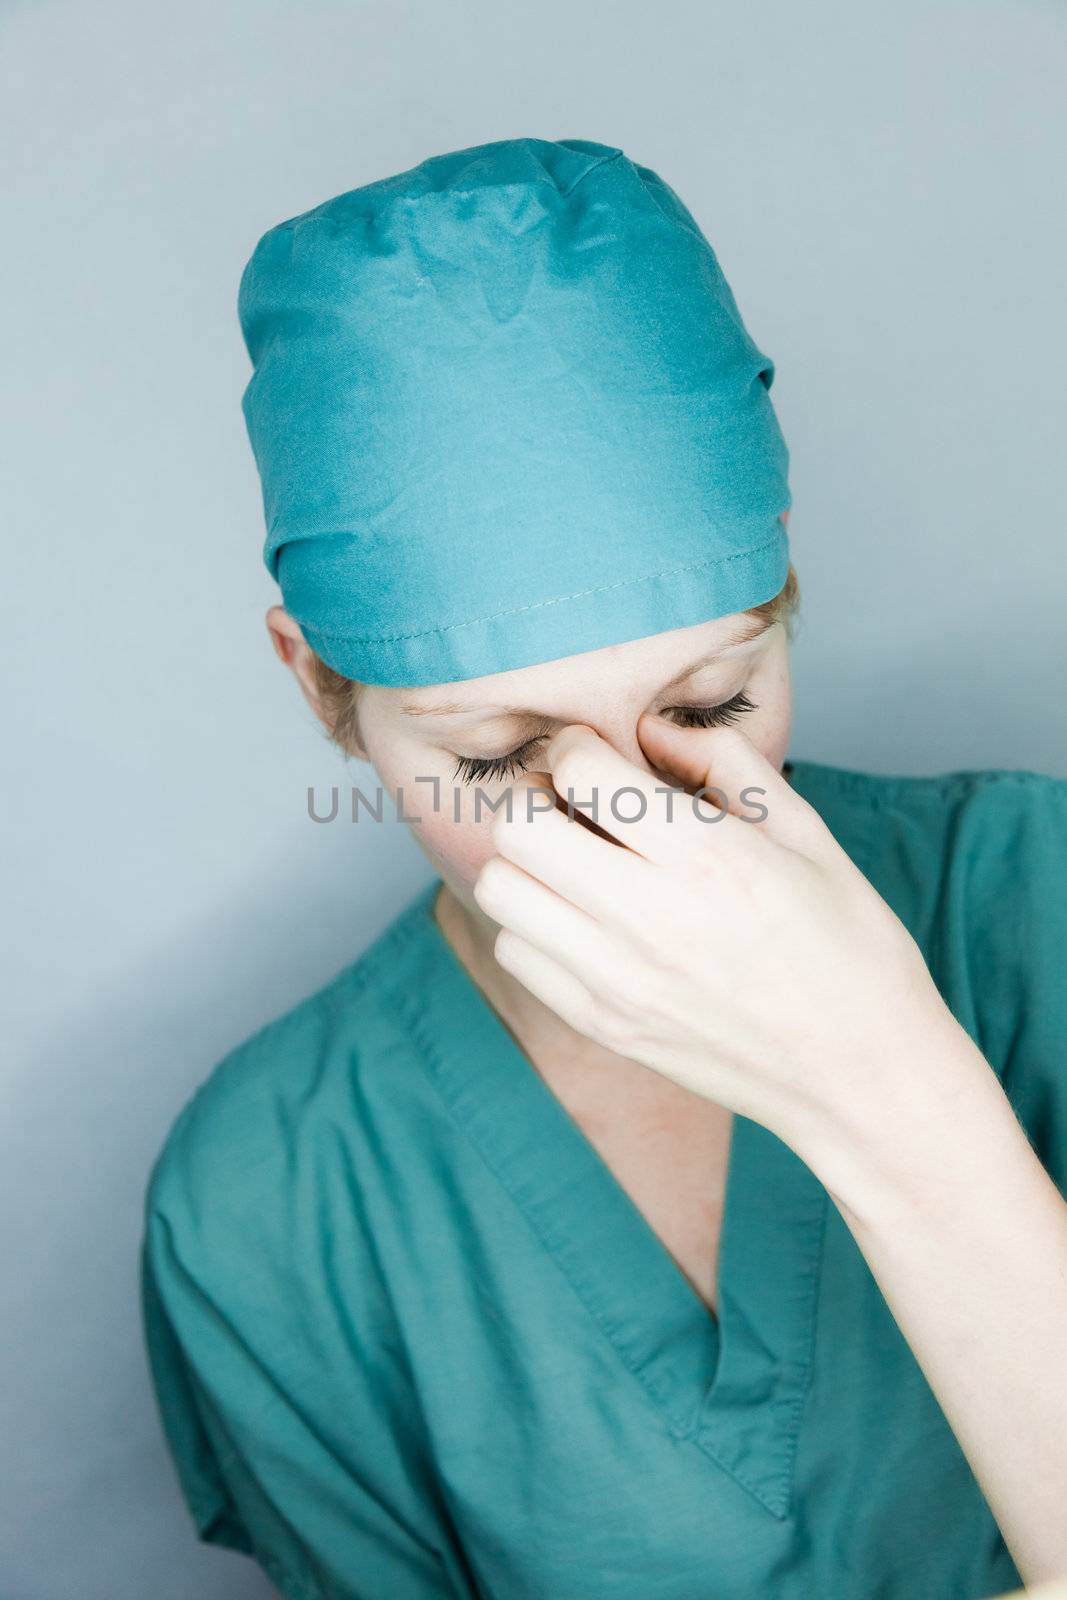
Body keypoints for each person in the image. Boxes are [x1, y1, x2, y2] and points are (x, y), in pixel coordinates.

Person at [139, 137, 1067, 1600]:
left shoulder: (1035, 902)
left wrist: (883, 1083)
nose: (636, 816)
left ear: (786, 598)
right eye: (502, 755)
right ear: (320, 684)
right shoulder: (270, 1195)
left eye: (707, 706)